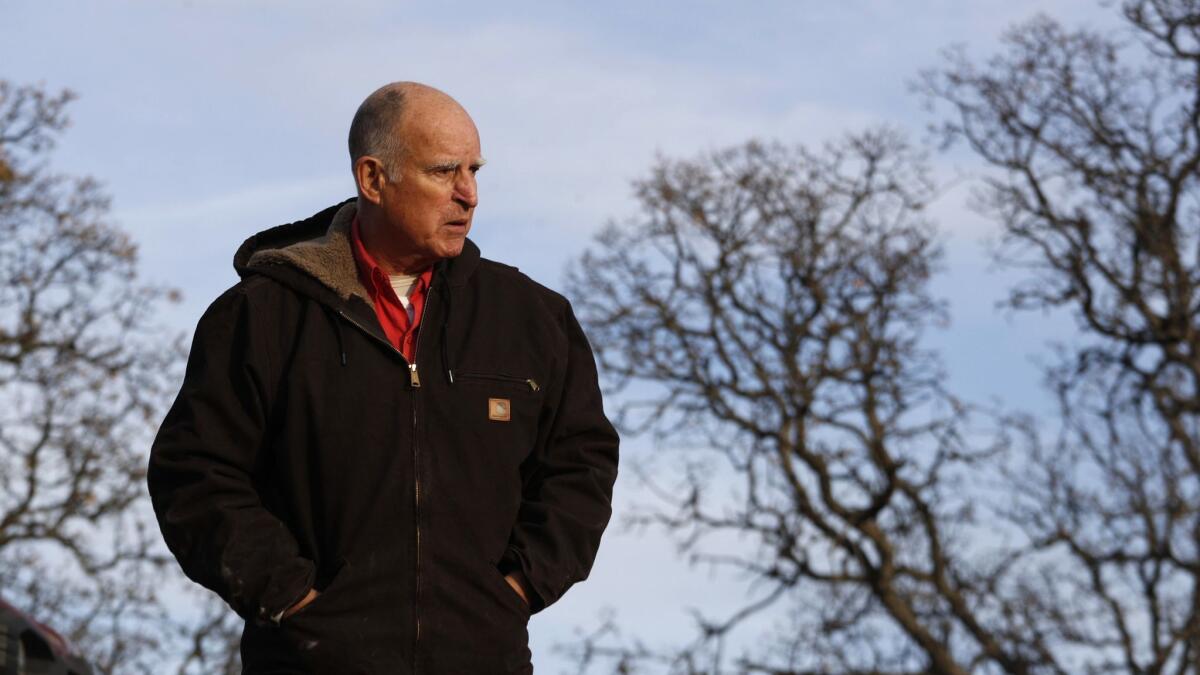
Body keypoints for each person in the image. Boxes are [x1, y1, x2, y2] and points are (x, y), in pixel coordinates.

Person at [147, 82, 620, 674]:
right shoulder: (261, 315)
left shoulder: (532, 318)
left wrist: (517, 588)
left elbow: (582, 466)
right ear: (373, 178)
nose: (469, 194)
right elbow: (193, 473)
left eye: (474, 170)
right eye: (444, 171)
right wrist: (291, 601)